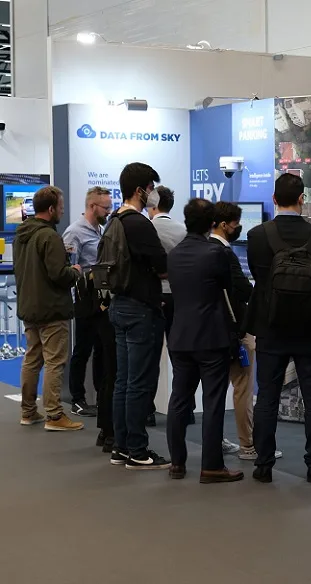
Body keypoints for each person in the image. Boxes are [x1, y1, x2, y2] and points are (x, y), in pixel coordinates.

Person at [247, 173, 311, 484]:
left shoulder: (257, 235)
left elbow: (260, 280)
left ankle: (263, 465)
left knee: (267, 396)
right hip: (310, 326)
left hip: (270, 326)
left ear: (274, 199)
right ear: (302, 199)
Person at [166, 199, 242, 483]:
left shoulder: (174, 254)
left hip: (180, 336)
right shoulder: (216, 253)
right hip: (211, 337)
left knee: (179, 400)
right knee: (213, 403)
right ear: (212, 223)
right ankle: (211, 466)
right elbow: (228, 289)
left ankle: (177, 463)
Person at [107, 162, 170, 470]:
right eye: (150, 187)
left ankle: (121, 446)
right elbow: (162, 265)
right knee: (139, 382)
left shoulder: (114, 220)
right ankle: (137, 450)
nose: (152, 193)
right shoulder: (139, 224)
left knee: (123, 381)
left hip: (119, 305)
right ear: (139, 190)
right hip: (141, 309)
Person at [14, 186, 84, 431]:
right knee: (54, 361)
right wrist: (74, 272)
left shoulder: (22, 235)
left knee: (32, 359)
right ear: (51, 208)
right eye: (61, 207)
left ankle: (28, 411)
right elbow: (58, 274)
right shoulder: (49, 236)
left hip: (29, 306)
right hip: (52, 308)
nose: (63, 211)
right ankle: (54, 415)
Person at [209, 201, 273, 461]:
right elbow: (243, 290)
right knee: (243, 388)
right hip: (236, 331)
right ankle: (248, 445)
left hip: (211, 332)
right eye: (237, 224)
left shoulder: (203, 250)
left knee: (215, 390)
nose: (239, 229)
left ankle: (214, 441)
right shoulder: (225, 254)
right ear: (225, 225)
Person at [62, 187, 112, 418]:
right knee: (82, 349)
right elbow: (68, 269)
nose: (109, 211)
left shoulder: (101, 230)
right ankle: (78, 399)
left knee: (103, 348)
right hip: (84, 300)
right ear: (93, 206)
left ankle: (102, 397)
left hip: (102, 297)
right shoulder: (74, 233)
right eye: (106, 207)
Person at [146, 185, 187, 427]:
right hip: (178, 297)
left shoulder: (147, 229)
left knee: (150, 356)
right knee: (179, 355)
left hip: (153, 297)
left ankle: (148, 410)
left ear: (152, 205)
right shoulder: (182, 230)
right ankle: (185, 408)